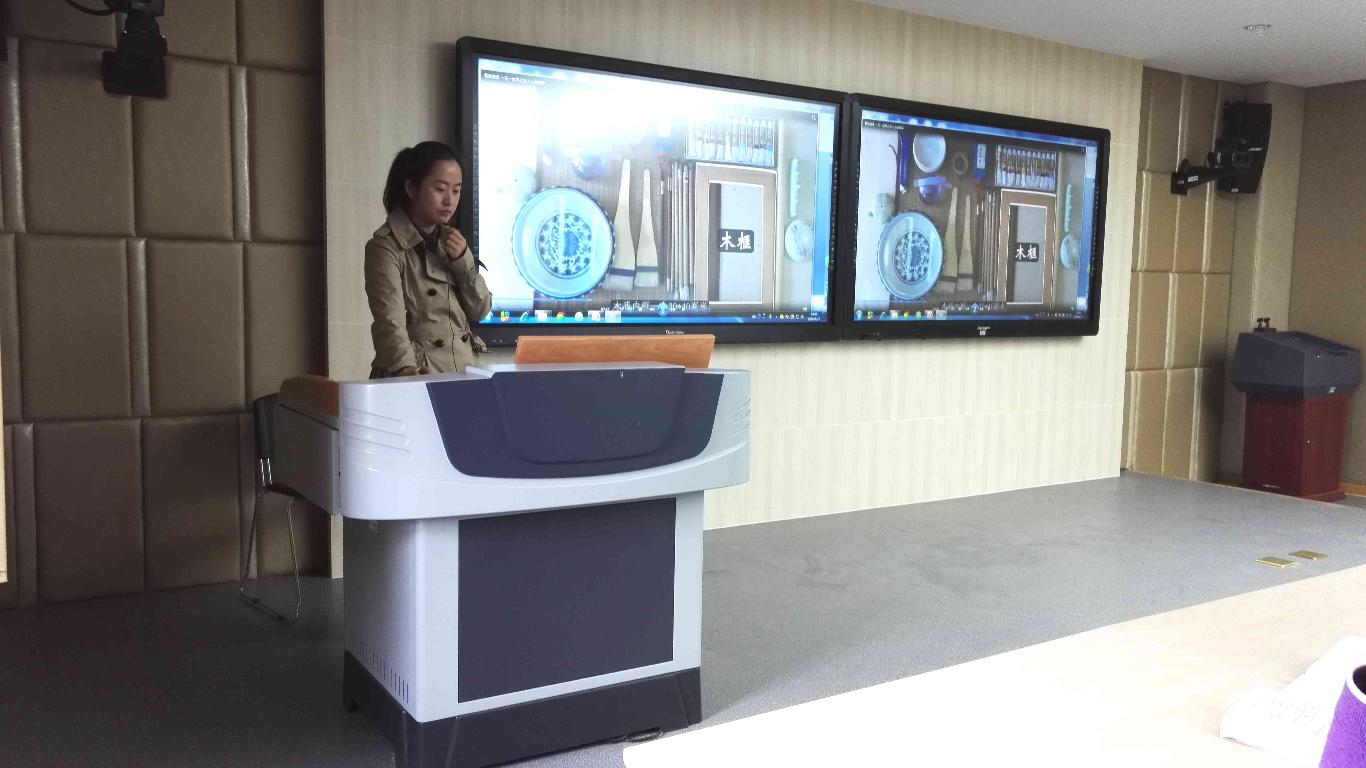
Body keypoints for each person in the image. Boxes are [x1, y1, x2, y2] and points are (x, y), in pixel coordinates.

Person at [366, 141, 492, 377]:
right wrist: (407, 370)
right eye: (440, 188)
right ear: (411, 188)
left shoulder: (453, 243)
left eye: (456, 190)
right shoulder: (386, 247)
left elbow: (480, 310)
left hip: (462, 371)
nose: (449, 200)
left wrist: (464, 262)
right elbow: (389, 321)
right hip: (415, 373)